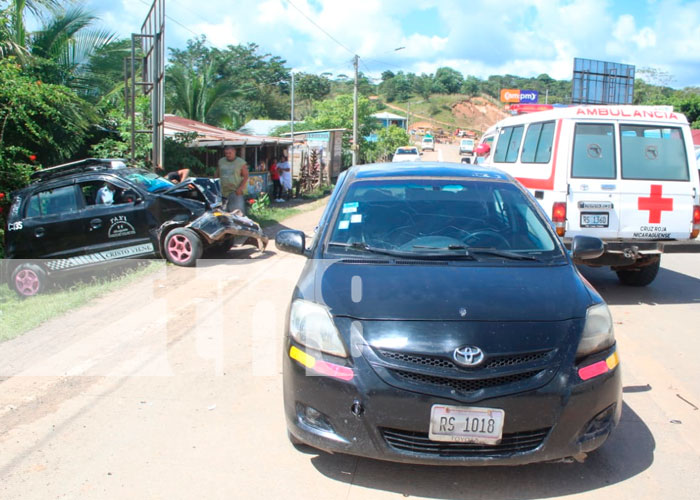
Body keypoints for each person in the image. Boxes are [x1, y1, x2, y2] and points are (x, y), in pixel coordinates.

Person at [217, 146, 249, 213]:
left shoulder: (241, 162)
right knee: (223, 213)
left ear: (234, 152)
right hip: (223, 191)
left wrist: (240, 188)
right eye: (226, 153)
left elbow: (246, 176)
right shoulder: (221, 161)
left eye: (230, 153)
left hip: (235, 191)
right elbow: (217, 174)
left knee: (237, 213)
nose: (228, 155)